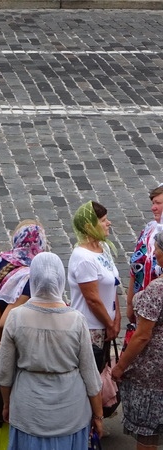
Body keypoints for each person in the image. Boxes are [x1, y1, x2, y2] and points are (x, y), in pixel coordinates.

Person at [0, 252, 103, 448]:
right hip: (71, 413)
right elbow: (90, 375)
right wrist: (98, 414)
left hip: (28, 410)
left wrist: (7, 404)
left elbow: (3, 373)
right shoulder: (76, 319)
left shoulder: (15, 317)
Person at [0, 220, 49, 450]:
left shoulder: (1, 261)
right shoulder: (30, 275)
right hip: (13, 352)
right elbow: (7, 320)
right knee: (9, 410)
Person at [112, 230, 163, 450]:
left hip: (153, 374)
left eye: (157, 248)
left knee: (148, 438)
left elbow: (142, 336)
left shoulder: (157, 290)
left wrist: (120, 367)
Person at [69, 200, 121, 370]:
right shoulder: (84, 258)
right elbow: (92, 299)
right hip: (91, 329)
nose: (109, 223)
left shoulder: (103, 247)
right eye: (103, 220)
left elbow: (112, 283)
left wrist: (117, 317)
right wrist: (109, 324)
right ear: (90, 226)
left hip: (106, 325)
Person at [128, 184, 163, 323]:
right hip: (141, 306)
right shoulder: (149, 230)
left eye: (158, 203)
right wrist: (130, 304)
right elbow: (135, 267)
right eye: (153, 203)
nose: (153, 207)